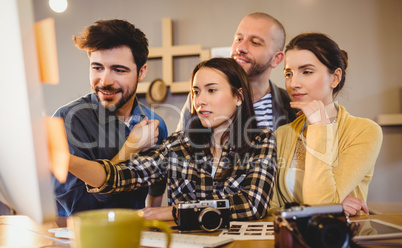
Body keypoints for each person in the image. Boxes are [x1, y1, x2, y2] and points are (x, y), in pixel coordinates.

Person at [67, 57, 277, 221]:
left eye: (211, 90)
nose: (200, 101)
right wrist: (67, 160)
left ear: (238, 96)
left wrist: (177, 211)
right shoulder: (179, 145)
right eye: (195, 92)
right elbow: (123, 175)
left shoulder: (261, 141)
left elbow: (252, 204)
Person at [53, 19, 168, 216]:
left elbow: (157, 187)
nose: (105, 81)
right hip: (81, 243)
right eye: (97, 68)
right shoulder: (67, 121)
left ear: (141, 72)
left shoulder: (155, 124)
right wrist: (130, 147)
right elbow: (79, 210)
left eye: (118, 70)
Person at [269, 33, 383, 216]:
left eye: (306, 71)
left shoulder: (364, 131)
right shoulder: (281, 134)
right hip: (290, 239)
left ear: (335, 78)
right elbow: (271, 207)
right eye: (288, 74)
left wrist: (319, 127)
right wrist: (334, 203)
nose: (293, 83)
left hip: (340, 239)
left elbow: (319, 203)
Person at [176, 12, 297, 132]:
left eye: (255, 42)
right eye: (239, 39)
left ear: (276, 59)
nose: (240, 48)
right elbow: (181, 146)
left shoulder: (292, 105)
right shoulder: (201, 100)